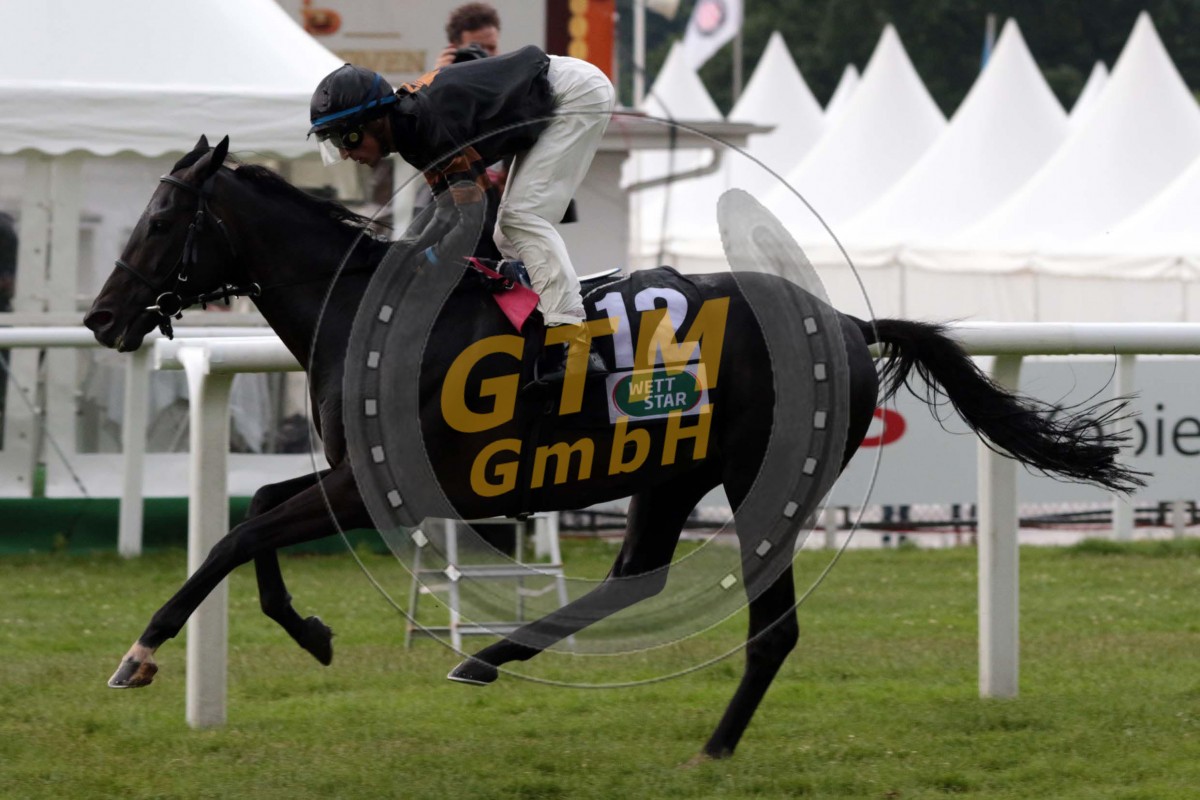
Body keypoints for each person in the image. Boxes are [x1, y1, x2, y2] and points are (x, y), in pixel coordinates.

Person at [308, 46, 615, 381]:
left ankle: (573, 340)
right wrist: (403, 253)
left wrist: (421, 259)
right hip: (556, 91)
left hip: (573, 93)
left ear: (373, 121)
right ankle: (541, 322)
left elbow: (470, 217)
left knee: (520, 218)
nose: (345, 153)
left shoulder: (425, 124)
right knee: (506, 235)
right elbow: (446, 209)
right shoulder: (410, 128)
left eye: (345, 139)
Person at [435, 2, 501, 68]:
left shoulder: (505, 72)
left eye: (491, 48)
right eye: (477, 48)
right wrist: (441, 73)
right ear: (453, 49)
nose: (486, 55)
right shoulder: (446, 72)